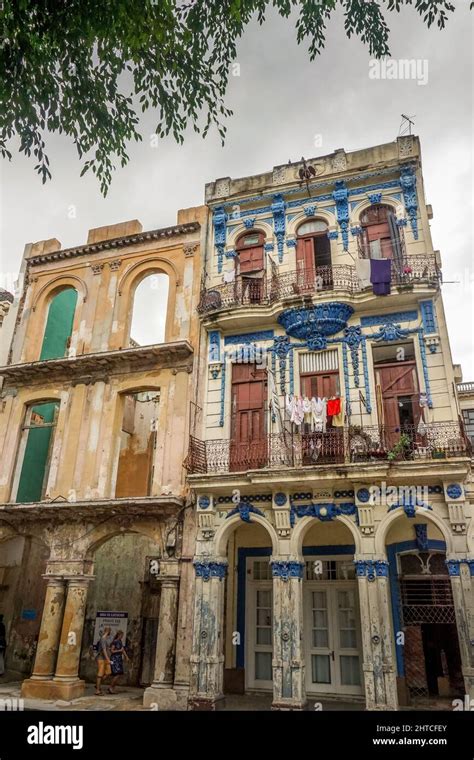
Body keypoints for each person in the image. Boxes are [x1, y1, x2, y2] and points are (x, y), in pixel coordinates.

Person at [95, 626, 112, 695]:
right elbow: (104, 650)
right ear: (108, 631)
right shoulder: (103, 639)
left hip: (105, 659)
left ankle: (98, 684)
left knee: (108, 672)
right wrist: (108, 659)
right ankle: (97, 690)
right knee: (100, 674)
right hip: (101, 658)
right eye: (110, 631)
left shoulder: (105, 639)